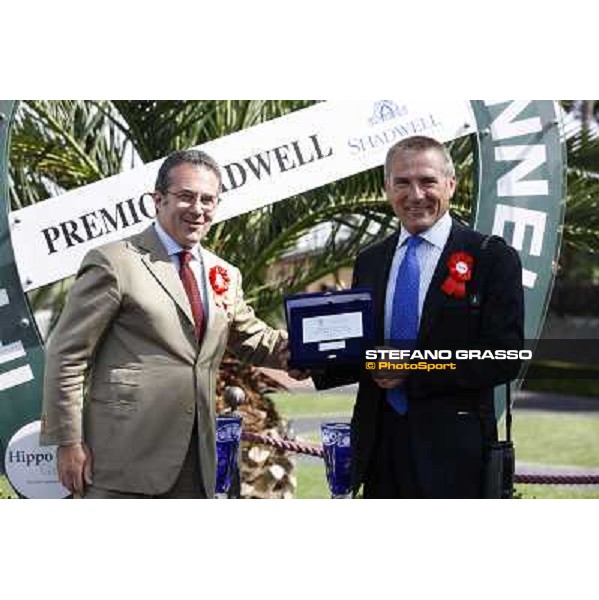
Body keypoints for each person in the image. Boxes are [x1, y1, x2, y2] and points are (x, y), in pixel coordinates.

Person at [40, 149, 294, 499]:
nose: (198, 208)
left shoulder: (224, 273)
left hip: (199, 460)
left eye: (208, 199)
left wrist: (311, 346)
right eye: (186, 196)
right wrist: (68, 442)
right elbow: (66, 356)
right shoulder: (114, 262)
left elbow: (253, 338)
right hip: (123, 461)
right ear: (157, 200)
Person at [314, 136, 524, 498]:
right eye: (402, 182)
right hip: (379, 451)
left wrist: (417, 367)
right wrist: (313, 360)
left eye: (427, 181)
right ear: (386, 189)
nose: (415, 194)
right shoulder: (370, 260)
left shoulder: (491, 258)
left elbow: (503, 357)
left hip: (455, 459)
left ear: (450, 185)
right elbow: (366, 350)